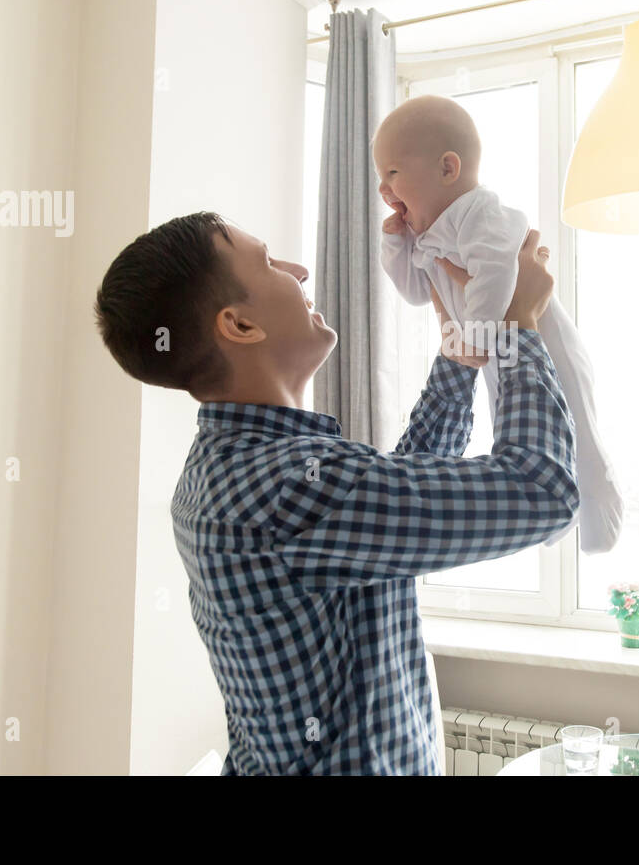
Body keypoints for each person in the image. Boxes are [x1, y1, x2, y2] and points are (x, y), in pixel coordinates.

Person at [93, 211, 577, 774]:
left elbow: (392, 505)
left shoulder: (228, 472)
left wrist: (456, 361)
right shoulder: (287, 486)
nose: (298, 270)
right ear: (240, 326)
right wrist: (519, 326)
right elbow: (541, 491)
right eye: (270, 262)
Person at [375, 94, 623, 554]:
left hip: (537, 334)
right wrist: (394, 245)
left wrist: (479, 331)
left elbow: (495, 270)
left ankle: (599, 499)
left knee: (572, 411)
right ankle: (563, 522)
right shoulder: (425, 236)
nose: (384, 191)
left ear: (448, 169)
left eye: (392, 173)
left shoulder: (481, 214)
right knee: (518, 423)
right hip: (495, 343)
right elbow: (414, 291)